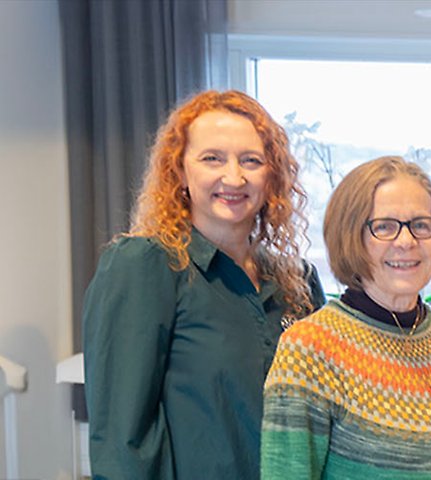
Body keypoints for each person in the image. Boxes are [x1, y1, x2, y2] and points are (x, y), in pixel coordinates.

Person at [82, 90, 325, 480]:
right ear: (179, 170)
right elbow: (121, 443)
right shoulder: (144, 266)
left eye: (251, 160)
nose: (234, 177)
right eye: (212, 158)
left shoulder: (299, 282)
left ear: (272, 176)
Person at [260, 157, 431, 478]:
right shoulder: (310, 349)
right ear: (349, 236)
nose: (406, 242)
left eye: (421, 225)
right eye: (384, 226)